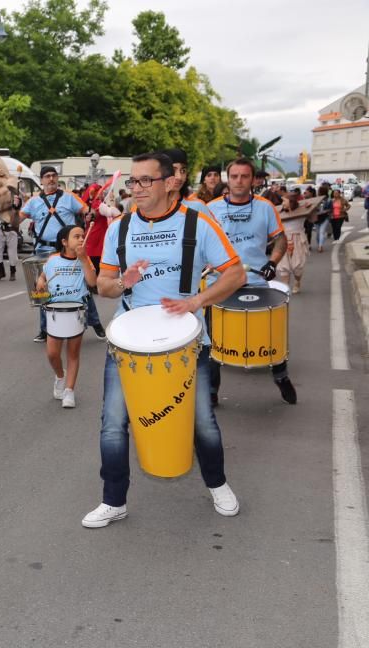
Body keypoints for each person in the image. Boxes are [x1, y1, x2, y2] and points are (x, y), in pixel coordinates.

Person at [82, 151, 245, 529]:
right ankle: (113, 500)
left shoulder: (198, 222)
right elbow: (103, 285)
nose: (135, 188)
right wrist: (126, 281)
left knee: (202, 421)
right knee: (112, 422)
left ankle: (217, 483)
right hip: (128, 341)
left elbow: (234, 273)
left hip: (187, 341)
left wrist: (196, 301)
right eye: (132, 182)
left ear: (169, 182)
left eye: (144, 181)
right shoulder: (120, 228)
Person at [206, 158, 296, 405]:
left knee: (270, 331)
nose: (239, 181)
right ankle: (212, 391)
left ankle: (281, 377)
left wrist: (272, 263)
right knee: (213, 339)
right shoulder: (211, 208)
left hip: (255, 280)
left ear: (253, 180)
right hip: (220, 282)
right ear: (228, 178)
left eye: (244, 176)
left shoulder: (265, 207)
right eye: (234, 176)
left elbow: (279, 239)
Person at [21, 165, 105, 341]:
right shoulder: (33, 201)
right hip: (43, 250)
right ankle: (45, 329)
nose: (51, 179)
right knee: (43, 290)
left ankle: (95, 323)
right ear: (42, 180)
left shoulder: (69, 198)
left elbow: (86, 212)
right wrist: (11, 209)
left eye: (54, 176)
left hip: (68, 250)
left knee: (80, 288)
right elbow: (16, 219)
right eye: (47, 176)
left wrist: (90, 214)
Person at [37, 225, 97, 408]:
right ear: (64, 242)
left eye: (82, 236)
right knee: (52, 353)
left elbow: (93, 282)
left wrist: (84, 259)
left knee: (73, 353)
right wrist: (40, 282)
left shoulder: (84, 260)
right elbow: (43, 276)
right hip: (54, 311)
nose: (81, 239)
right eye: (76, 236)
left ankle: (69, 391)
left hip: (77, 311)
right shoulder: (54, 259)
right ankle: (60, 376)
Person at [275, 193, 309, 294]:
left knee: (297, 266)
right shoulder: (280, 212)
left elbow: (314, 219)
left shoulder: (302, 212)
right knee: (284, 266)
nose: (282, 203)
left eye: (284, 201)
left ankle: (297, 281)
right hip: (283, 239)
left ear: (291, 202)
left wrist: (310, 210)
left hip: (297, 239)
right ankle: (285, 288)